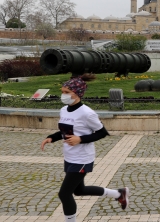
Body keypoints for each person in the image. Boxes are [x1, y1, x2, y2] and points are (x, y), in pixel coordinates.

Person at [40, 74, 129, 222]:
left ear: (77, 93)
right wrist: (51, 138)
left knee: (64, 194)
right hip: (69, 156)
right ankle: (119, 194)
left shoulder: (87, 113)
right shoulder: (64, 110)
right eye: (62, 91)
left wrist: (80, 139)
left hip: (82, 158)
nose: (63, 95)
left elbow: (102, 133)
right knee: (79, 190)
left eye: (67, 92)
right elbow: (65, 132)